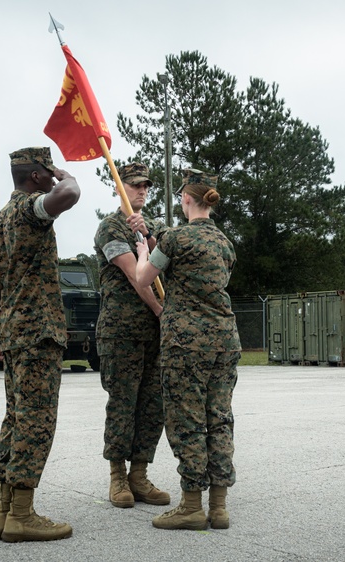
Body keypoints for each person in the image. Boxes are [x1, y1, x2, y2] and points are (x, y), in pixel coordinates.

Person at [0, 146, 80, 543]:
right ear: (37, 175)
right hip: (38, 332)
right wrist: (63, 173)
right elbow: (71, 193)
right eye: (46, 170)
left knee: (16, 419)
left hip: (12, 333)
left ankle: (4, 511)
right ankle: (22, 515)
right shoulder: (29, 210)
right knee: (37, 421)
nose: (52, 177)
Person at [133, 168, 240, 531]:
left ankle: (192, 505)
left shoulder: (176, 239)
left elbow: (143, 279)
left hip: (185, 343)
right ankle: (220, 507)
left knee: (188, 421)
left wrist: (142, 252)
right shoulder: (225, 243)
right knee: (219, 418)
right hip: (225, 340)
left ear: (186, 200)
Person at [93, 162, 170, 509]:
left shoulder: (152, 227)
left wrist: (149, 237)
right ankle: (117, 476)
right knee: (123, 403)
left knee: (152, 405)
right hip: (121, 331)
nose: (141, 190)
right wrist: (161, 312)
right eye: (134, 185)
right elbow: (134, 274)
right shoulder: (109, 227)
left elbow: (169, 261)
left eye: (145, 186)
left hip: (154, 334)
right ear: (119, 188)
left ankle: (139, 474)